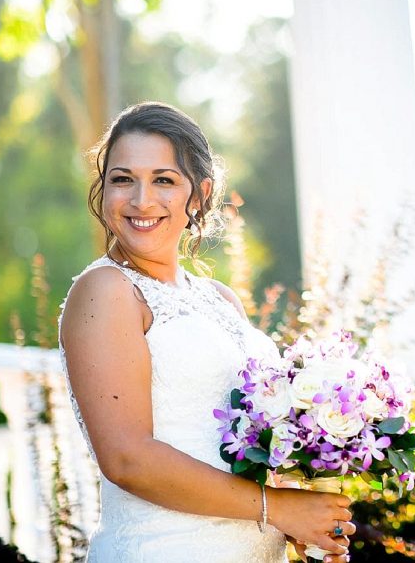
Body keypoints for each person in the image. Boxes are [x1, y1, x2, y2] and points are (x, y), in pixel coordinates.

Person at [59, 101, 355, 562]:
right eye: (122, 179)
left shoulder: (220, 299)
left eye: (163, 180)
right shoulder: (105, 290)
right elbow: (127, 459)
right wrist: (277, 509)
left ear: (199, 194)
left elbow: (249, 444)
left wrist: (305, 515)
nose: (141, 200)